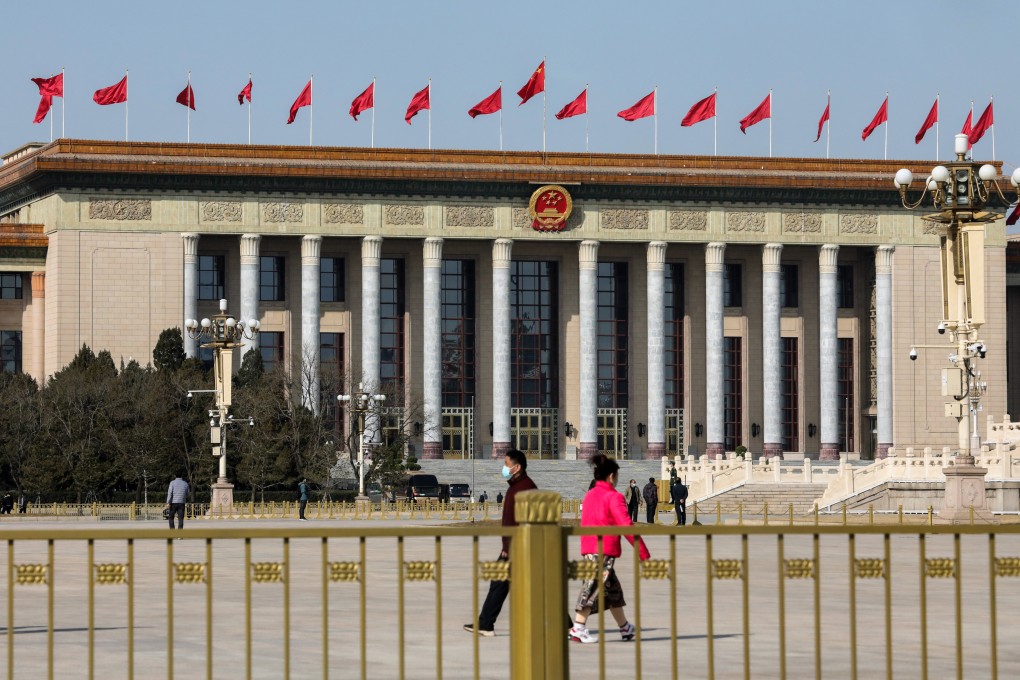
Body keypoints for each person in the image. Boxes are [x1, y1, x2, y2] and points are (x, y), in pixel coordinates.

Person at [569, 454, 651, 644]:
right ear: (611, 476)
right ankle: (578, 627)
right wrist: (643, 552)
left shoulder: (590, 495)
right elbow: (625, 525)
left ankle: (625, 627)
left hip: (589, 547)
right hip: (603, 549)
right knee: (592, 587)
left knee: (613, 592)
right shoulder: (613, 496)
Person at [464, 449, 537, 637]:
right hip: (516, 545)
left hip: (519, 546)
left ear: (517, 467)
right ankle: (486, 623)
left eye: (506, 464)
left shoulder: (524, 488)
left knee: (538, 587)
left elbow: (522, 521)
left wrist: (508, 547)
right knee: (502, 583)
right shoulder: (516, 485)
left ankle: (486, 623)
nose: (504, 468)